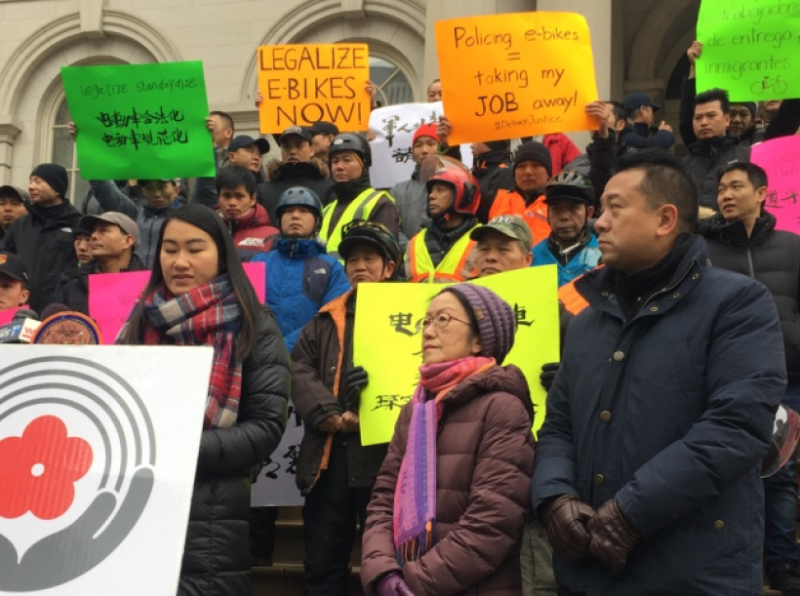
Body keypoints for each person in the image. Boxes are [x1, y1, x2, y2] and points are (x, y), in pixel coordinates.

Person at [531, 150, 786, 595]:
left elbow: (736, 428)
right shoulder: (588, 320)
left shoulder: (738, 304)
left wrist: (631, 513)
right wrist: (554, 498)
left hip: (690, 572)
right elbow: (558, 427)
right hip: (589, 570)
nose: (598, 222)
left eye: (615, 207)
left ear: (665, 219)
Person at [116, 203, 290, 596]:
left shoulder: (254, 324)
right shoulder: (139, 322)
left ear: (222, 254)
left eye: (195, 249)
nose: (180, 261)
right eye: (170, 249)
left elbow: (265, 427)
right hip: (132, 510)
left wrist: (178, 450)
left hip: (210, 518)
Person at [361, 283, 535, 596]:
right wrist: (383, 570)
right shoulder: (415, 409)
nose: (428, 332)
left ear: (480, 339)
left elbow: (492, 522)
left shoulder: (503, 407)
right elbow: (384, 499)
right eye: (425, 321)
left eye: (443, 320)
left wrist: (414, 582)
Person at [697, 162, 800, 594]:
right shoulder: (702, 250)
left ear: (762, 193)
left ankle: (782, 564)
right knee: (732, 470)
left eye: (736, 186)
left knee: (782, 472)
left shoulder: (792, 246)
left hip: (789, 377)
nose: (726, 194)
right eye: (720, 188)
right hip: (729, 379)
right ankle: (735, 565)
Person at [292, 220, 401, 596]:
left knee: (390, 566)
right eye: (352, 259)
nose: (359, 266)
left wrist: (371, 417)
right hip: (330, 460)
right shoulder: (324, 319)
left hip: (389, 463)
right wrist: (333, 416)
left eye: (370, 258)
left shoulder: (414, 318)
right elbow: (298, 369)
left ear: (389, 268)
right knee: (323, 565)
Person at [251, 186, 350, 352]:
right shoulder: (257, 262)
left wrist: (283, 347)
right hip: (260, 360)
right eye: (288, 211)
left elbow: (333, 317)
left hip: (309, 362)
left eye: (303, 211)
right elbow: (246, 312)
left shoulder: (332, 267)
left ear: (317, 221)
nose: (295, 216)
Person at [682, 41, 800, 149]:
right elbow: (687, 124)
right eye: (732, 114)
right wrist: (694, 69)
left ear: (753, 119)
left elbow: (790, 113)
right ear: (725, 117)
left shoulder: (765, 139)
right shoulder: (709, 146)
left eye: (743, 114)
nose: (737, 120)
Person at [0, 163, 80, 314]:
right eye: (30, 181)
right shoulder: (21, 224)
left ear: (57, 188)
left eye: (38, 181)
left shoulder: (77, 224)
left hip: (60, 311)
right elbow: (4, 259)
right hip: (22, 313)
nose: (31, 187)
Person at [319, 134, 400, 260]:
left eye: (347, 160)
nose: (339, 166)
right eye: (335, 161)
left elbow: (385, 255)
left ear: (364, 164)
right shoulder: (326, 210)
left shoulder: (380, 203)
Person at [51, 212, 145, 315]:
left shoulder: (149, 288)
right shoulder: (73, 287)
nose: (93, 236)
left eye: (103, 230)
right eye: (94, 231)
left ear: (127, 241)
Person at [404, 158, 480, 283]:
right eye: (431, 190)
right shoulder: (415, 242)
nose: (431, 196)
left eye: (440, 190)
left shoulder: (481, 241)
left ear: (464, 196)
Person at [681, 88, 751, 211]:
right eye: (698, 117)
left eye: (711, 115)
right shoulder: (682, 166)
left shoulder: (747, 156)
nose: (703, 122)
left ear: (727, 119)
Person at [89, 177, 182, 268]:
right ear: (144, 192)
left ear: (176, 190)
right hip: (135, 281)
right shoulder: (134, 215)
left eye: (162, 187)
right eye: (149, 188)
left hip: (170, 280)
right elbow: (105, 190)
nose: (156, 194)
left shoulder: (186, 217)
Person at [532, 171, 601, 287]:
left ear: (589, 214)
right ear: (547, 214)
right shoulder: (531, 258)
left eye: (573, 208)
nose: (564, 217)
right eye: (556, 209)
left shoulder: (604, 257)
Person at [257, 125, 334, 224]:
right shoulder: (263, 191)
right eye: (287, 146)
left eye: (299, 146)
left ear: (312, 150)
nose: (293, 151)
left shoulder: (328, 188)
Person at [488, 140, 553, 245]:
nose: (527, 172)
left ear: (548, 174)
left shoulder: (559, 205)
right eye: (521, 166)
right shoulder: (496, 199)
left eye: (535, 165)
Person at [389, 123, 437, 251]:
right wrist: (411, 250)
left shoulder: (456, 187)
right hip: (408, 264)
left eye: (431, 143)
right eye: (418, 145)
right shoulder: (398, 191)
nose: (424, 150)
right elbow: (391, 227)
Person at [216, 167, 278, 259]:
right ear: (218, 199)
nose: (232, 202)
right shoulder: (206, 232)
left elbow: (270, 271)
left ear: (253, 199)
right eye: (226, 196)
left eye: (239, 196)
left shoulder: (271, 237)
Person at [193, 134, 271, 208]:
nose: (256, 157)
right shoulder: (221, 183)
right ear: (232, 156)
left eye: (259, 154)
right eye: (250, 151)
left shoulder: (264, 188)